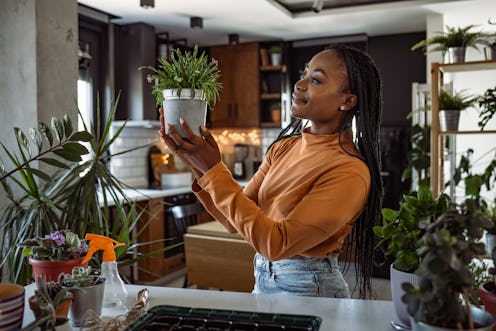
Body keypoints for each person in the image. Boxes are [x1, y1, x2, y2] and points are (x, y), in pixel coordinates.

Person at [159, 44, 383, 299]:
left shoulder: (349, 171)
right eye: (304, 74)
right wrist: (194, 159)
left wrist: (213, 168)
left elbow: (276, 244)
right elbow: (233, 221)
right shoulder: (284, 148)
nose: (300, 84)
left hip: (309, 289)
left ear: (347, 101)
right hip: (263, 278)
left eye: (316, 80)